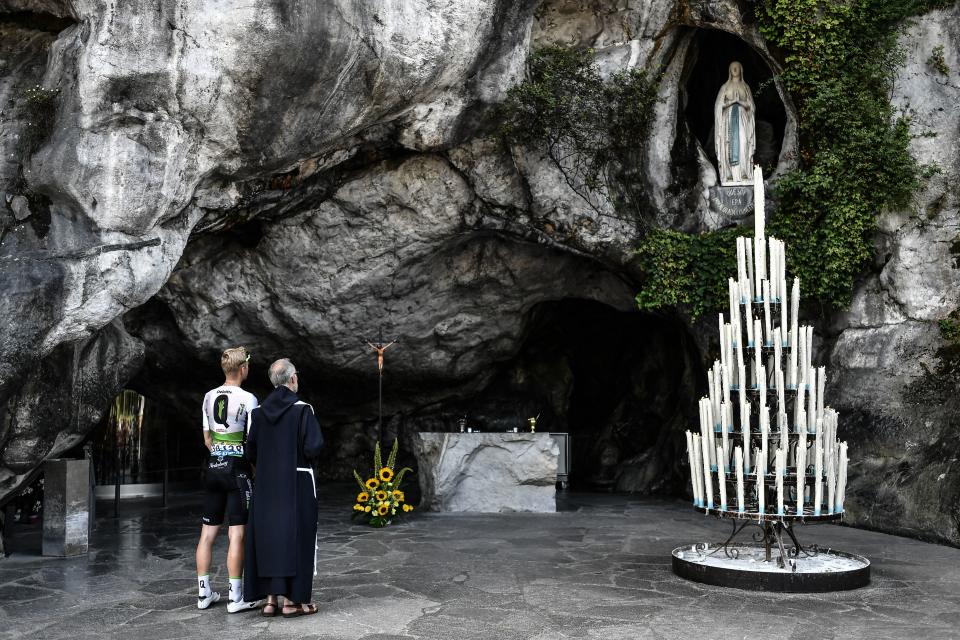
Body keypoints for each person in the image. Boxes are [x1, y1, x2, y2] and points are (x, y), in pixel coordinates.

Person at [244, 358, 325, 617]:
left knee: (270, 537)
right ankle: (292, 602)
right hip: (297, 482)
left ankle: (270, 601)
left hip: (266, 485)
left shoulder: (258, 412)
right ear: (292, 379)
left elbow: (251, 451)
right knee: (296, 537)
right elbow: (313, 446)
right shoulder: (302, 410)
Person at [195, 346, 260, 613]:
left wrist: (219, 455)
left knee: (207, 533)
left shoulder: (209, 396)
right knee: (237, 534)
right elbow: (252, 442)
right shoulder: (250, 398)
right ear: (243, 368)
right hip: (238, 469)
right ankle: (236, 597)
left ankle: (203, 594)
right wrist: (251, 467)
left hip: (213, 466)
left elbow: (207, 439)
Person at [714, 60, 756, 185]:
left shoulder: (745, 87)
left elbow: (751, 106)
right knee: (728, 144)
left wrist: (740, 102)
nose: (735, 69)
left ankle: (744, 173)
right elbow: (718, 106)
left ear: (741, 69)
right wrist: (731, 102)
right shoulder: (725, 87)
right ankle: (730, 175)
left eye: (737, 67)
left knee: (743, 143)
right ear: (729, 70)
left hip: (742, 118)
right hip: (728, 119)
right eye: (732, 67)